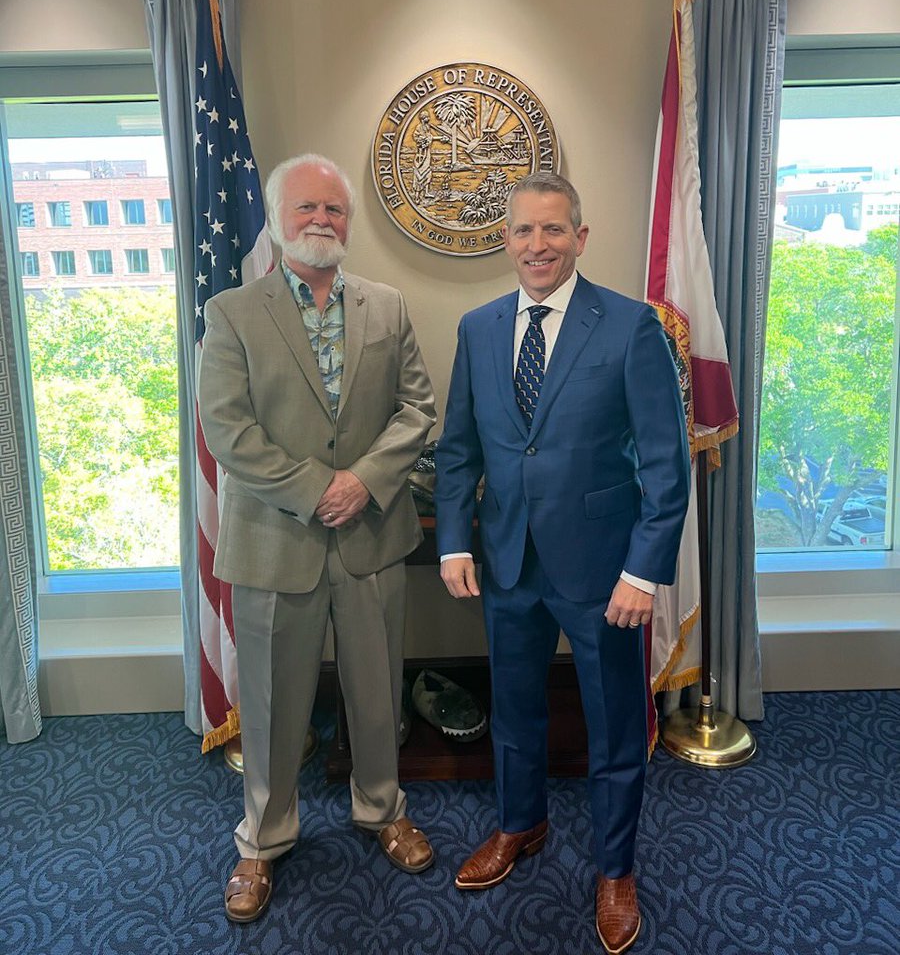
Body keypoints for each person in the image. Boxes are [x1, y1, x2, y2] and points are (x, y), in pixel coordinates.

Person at [435, 171, 690, 954]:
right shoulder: (478, 329)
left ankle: (615, 869)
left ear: (580, 237)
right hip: (506, 564)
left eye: (554, 230)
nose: (537, 245)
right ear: (504, 239)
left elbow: (665, 463)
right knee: (514, 714)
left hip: (604, 573)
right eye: (523, 231)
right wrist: (453, 540)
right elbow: (457, 450)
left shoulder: (629, 326)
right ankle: (523, 825)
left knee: (613, 726)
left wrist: (643, 572)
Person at [198, 153, 437, 923]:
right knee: (270, 705)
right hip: (275, 540)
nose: (321, 221)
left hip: (371, 532)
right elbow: (227, 430)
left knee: (376, 692)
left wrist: (362, 481)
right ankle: (262, 841)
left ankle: (382, 808)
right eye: (306, 209)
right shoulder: (231, 312)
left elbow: (417, 412)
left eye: (334, 210)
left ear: (349, 222)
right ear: (276, 219)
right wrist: (314, 490)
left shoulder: (389, 307)